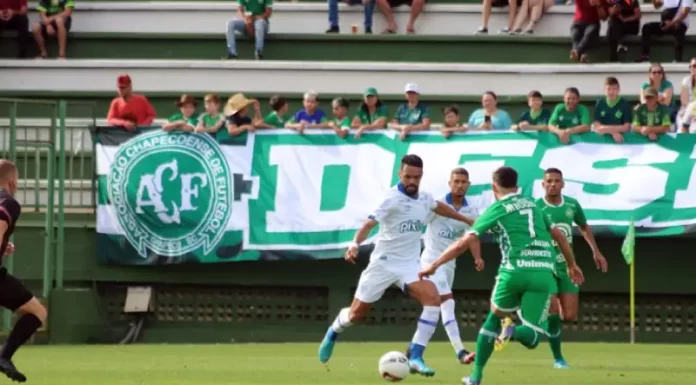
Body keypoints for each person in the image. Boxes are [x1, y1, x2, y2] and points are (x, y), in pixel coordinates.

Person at [418, 166, 584, 385]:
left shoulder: (497, 208)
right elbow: (560, 236)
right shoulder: (534, 206)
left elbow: (464, 242)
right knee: (533, 337)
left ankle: (476, 376)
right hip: (543, 273)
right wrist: (572, 264)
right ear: (517, 187)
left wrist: (435, 264)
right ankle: (512, 331)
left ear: (493, 186)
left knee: (493, 318)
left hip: (513, 272)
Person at [318, 154, 478, 377]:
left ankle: (416, 356)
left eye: (417, 177)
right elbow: (369, 224)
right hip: (383, 264)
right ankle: (333, 330)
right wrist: (355, 243)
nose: (412, 181)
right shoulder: (391, 198)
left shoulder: (424, 198)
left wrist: (466, 220)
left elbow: (438, 207)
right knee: (356, 315)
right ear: (400, 174)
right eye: (408, 177)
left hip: (409, 265)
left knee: (433, 299)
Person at [535, 168, 608, 369]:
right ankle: (558, 358)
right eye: (549, 181)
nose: (553, 184)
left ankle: (538, 322)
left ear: (563, 184)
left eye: (557, 181)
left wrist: (595, 251)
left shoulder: (572, 205)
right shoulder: (536, 207)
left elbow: (584, 226)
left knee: (568, 316)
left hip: (568, 266)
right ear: (543, 184)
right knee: (552, 312)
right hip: (544, 266)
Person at [416, 168, 479, 364]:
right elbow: (419, 223)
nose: (460, 185)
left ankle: (413, 351)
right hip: (431, 261)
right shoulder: (438, 205)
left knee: (436, 308)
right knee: (448, 303)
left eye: (463, 182)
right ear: (450, 183)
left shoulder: (471, 210)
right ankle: (460, 351)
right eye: (456, 181)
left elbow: (472, 236)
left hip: (450, 263)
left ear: (468, 184)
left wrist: (477, 257)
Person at [0, 160, 48, 383]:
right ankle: (3, 356)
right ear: (12, 181)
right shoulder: (8, 203)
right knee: (37, 313)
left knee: (35, 310)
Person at [592, 77, 632, 143]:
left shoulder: (625, 104)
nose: (611, 92)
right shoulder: (599, 103)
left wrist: (606, 129)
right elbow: (597, 127)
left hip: (621, 141)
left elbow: (627, 127)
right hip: (602, 141)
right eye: (608, 89)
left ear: (618, 90)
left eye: (614, 89)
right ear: (604, 90)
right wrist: (613, 132)